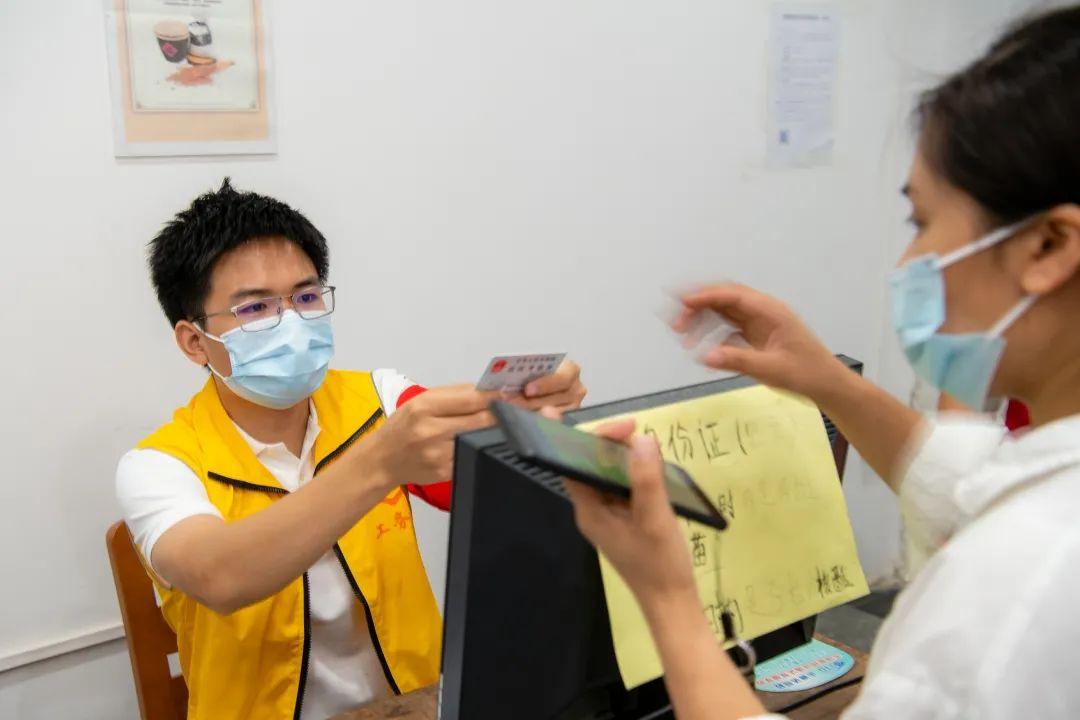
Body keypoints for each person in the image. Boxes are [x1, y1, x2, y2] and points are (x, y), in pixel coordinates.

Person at [561, 6, 1080, 719]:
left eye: (923, 221)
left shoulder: (1012, 593)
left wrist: (668, 598)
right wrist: (825, 381)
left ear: (1049, 247)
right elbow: (969, 485)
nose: (907, 261)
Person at [115, 179, 586, 720]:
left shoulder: (380, 399)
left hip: (413, 707)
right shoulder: (158, 466)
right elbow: (220, 577)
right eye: (255, 308)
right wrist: (382, 460)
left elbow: (493, 485)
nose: (291, 321)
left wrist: (535, 423)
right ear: (195, 341)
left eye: (306, 297)